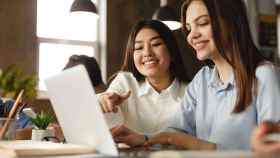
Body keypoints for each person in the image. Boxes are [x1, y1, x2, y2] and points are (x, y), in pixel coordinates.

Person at [111, 0, 280, 150]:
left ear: (230, 22)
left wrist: (198, 145)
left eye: (203, 23)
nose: (192, 36)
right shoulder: (202, 80)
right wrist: (143, 138)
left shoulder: (264, 75)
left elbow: (272, 149)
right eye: (189, 28)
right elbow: (176, 130)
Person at [99, 19, 189, 134]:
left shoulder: (190, 92)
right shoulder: (125, 82)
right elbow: (105, 106)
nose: (147, 53)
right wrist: (104, 100)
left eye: (156, 44)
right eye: (139, 48)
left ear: (171, 50)